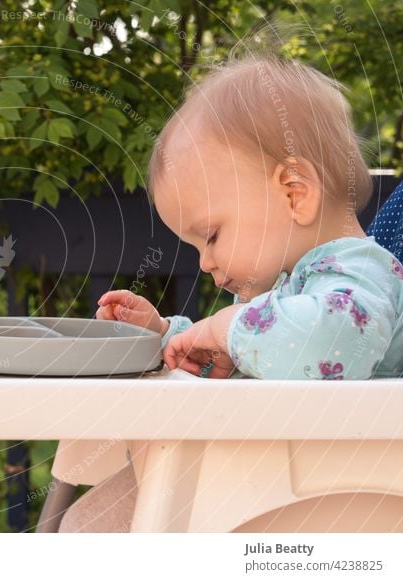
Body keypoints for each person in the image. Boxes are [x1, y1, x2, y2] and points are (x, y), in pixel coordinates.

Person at [59, 54, 403, 532]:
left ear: (294, 192)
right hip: (264, 475)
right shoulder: (291, 285)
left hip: (336, 501)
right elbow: (244, 357)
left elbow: (333, 345)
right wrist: (169, 336)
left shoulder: (359, 272)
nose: (205, 263)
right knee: (82, 524)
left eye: (212, 235)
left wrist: (224, 327)